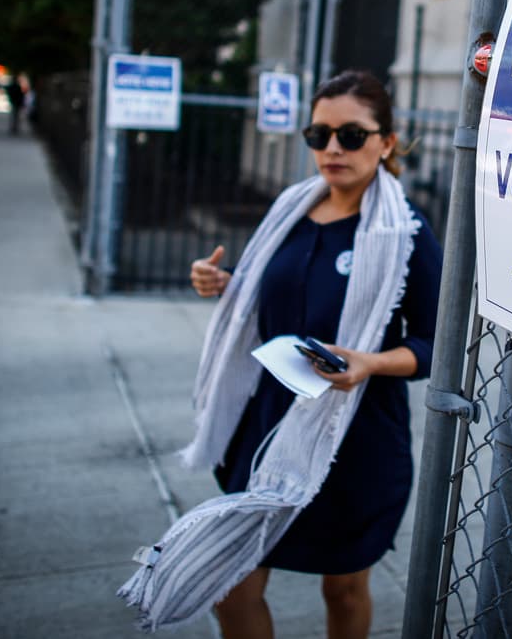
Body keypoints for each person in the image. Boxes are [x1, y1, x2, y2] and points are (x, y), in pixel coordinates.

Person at [186, 70, 442, 639]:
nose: (332, 149)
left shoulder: (406, 232)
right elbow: (273, 288)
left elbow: (434, 344)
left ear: (386, 142)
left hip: (354, 437)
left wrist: (371, 363)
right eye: (319, 135)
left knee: (344, 588)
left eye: (351, 135)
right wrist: (225, 282)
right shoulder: (290, 210)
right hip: (267, 425)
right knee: (231, 587)